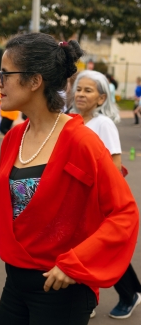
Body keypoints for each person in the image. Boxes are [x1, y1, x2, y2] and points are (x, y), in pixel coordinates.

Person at [0, 33, 139, 325]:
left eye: (6, 74)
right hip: (15, 283)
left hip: (62, 290)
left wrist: (76, 264)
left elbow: (124, 213)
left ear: (35, 81)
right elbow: (13, 202)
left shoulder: (82, 142)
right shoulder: (14, 138)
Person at [72, 69, 141, 319]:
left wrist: (103, 201)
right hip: (75, 196)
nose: (81, 94)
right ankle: (88, 298)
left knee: (102, 249)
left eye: (88, 90)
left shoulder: (103, 124)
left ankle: (129, 294)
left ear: (101, 99)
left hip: (98, 198)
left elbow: (114, 165)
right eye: (78, 89)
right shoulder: (71, 120)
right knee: (82, 247)